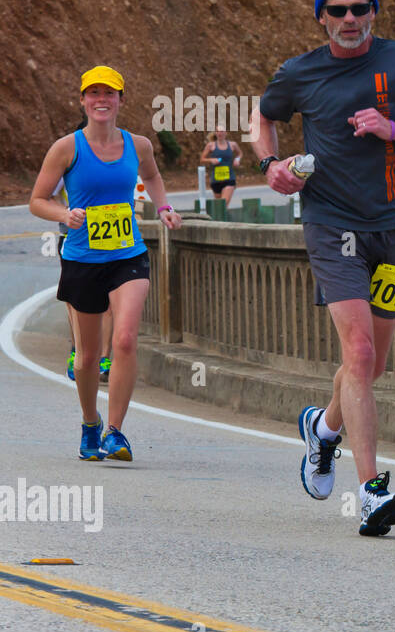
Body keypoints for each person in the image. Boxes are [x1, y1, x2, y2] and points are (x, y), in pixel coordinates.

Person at [249, 0, 395, 537]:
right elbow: (262, 121)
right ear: (321, 17)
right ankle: (370, 493)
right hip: (331, 226)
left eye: (359, 8)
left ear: (374, 13)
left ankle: (322, 430)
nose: (349, 19)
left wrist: (394, 128)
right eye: (337, 10)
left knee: (372, 365)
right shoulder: (300, 73)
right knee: (360, 354)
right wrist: (271, 166)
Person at [30, 66, 183, 462]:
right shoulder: (67, 148)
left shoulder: (139, 145)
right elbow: (38, 199)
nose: (101, 99)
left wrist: (164, 207)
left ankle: (115, 432)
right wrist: (64, 216)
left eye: (109, 93)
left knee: (126, 338)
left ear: (120, 100)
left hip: (127, 256)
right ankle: (90, 422)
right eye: (93, 93)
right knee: (87, 358)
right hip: (82, 259)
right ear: (82, 100)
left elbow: (152, 176)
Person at [200, 125, 243, 204]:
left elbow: (240, 153)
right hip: (216, 180)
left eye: (222, 131)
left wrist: (237, 159)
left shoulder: (232, 145)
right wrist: (211, 160)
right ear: (215, 133)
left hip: (229, 179)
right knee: (218, 207)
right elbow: (202, 159)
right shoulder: (211, 145)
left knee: (223, 205)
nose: (220, 133)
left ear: (226, 133)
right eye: (218, 131)